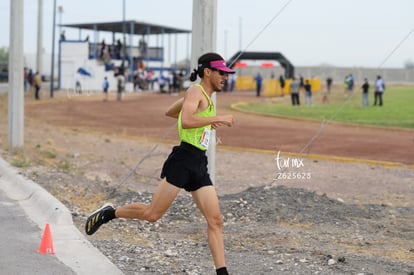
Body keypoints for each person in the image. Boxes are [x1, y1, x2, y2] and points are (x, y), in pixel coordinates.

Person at [85, 52, 235, 275]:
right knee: (152, 214)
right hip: (183, 160)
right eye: (222, 73)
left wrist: (203, 120)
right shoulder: (196, 91)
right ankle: (109, 213)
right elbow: (185, 120)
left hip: (199, 163)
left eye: (226, 74)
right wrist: (215, 118)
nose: (225, 77)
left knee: (216, 220)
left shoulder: (204, 97)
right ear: (207, 72)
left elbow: (172, 112)